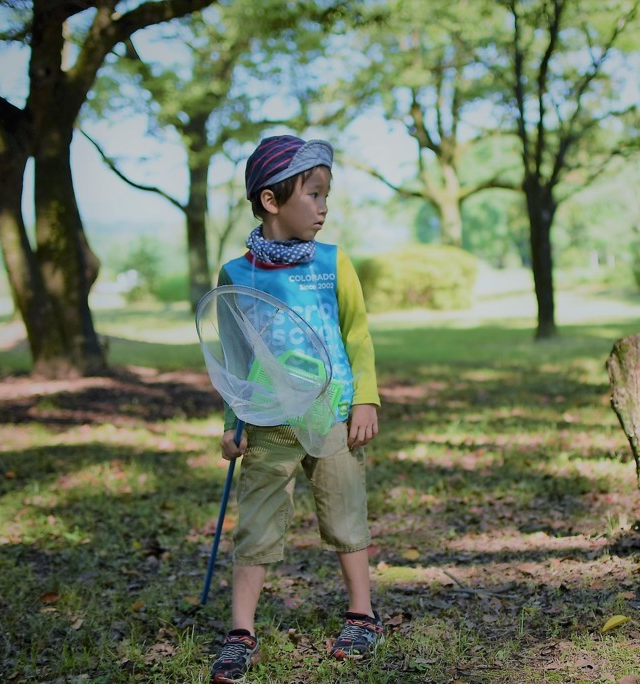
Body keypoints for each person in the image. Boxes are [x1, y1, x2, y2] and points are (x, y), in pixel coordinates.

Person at [209, 135, 383, 683]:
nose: (324, 207)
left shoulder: (333, 263)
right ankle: (241, 632)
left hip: (332, 415)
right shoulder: (238, 276)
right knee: (257, 524)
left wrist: (366, 399)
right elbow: (236, 360)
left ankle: (362, 614)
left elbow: (358, 335)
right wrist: (231, 423)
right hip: (267, 422)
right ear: (271, 201)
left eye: (326, 194)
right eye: (313, 194)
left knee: (343, 512)